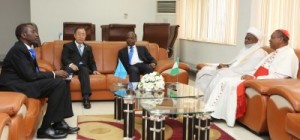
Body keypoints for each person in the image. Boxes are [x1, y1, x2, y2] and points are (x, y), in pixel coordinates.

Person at [0, 23, 79, 139]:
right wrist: (53, 74)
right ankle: (44, 129)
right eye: (33, 32)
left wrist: (55, 75)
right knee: (58, 83)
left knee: (63, 81)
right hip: (15, 86)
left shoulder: (26, 49)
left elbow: (32, 73)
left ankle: (58, 122)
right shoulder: (18, 50)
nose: (37, 34)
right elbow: (30, 76)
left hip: (23, 81)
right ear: (24, 35)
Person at [205, 29, 299, 127]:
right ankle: (211, 110)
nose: (269, 40)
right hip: (257, 78)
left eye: (272, 38)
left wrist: (255, 78)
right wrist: (250, 75)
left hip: (266, 81)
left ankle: (220, 114)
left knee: (232, 84)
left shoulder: (289, 54)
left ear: (280, 39)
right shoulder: (273, 53)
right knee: (224, 80)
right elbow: (256, 68)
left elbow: (280, 76)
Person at [195, 27, 268, 99]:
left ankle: (209, 100)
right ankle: (199, 96)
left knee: (221, 73)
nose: (246, 40)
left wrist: (229, 69)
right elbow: (236, 62)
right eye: (245, 38)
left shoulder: (259, 53)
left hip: (241, 74)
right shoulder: (245, 50)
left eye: (249, 39)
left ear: (257, 40)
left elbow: (248, 69)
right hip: (234, 70)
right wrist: (227, 65)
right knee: (205, 70)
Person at [61, 27, 100, 109]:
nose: (81, 36)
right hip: (71, 67)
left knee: (84, 70)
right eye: (79, 34)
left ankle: (86, 98)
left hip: (83, 68)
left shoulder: (88, 48)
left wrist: (94, 70)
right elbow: (64, 58)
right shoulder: (68, 46)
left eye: (83, 34)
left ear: (85, 36)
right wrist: (71, 64)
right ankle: (63, 98)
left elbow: (91, 61)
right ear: (74, 35)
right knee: (66, 71)